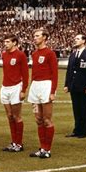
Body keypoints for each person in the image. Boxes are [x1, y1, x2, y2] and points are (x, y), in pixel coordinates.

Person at [28, 29, 58, 159]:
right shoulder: (34, 54)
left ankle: (48, 149)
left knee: (47, 120)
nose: (34, 38)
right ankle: (42, 148)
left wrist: (52, 91)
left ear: (44, 37)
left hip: (46, 86)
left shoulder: (50, 53)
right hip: (35, 86)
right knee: (38, 120)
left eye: (37, 36)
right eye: (34, 36)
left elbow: (55, 74)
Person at [64, 34, 86, 138]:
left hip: (83, 87)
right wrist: (66, 84)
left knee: (83, 108)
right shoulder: (73, 55)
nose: (75, 40)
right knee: (76, 109)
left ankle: (83, 131)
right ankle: (76, 130)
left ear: (84, 41)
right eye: (75, 38)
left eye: (78, 39)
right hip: (73, 86)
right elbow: (69, 71)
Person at [1, 34, 29, 152]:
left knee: (17, 116)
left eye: (8, 42)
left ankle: (19, 143)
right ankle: (13, 142)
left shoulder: (21, 55)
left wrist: (23, 90)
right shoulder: (4, 54)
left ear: (15, 43)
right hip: (5, 87)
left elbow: (25, 74)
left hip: (16, 87)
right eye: (5, 42)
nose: (5, 44)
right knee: (10, 116)